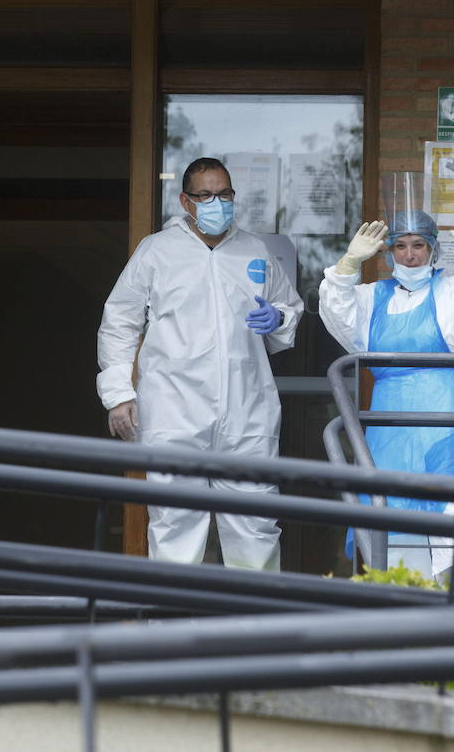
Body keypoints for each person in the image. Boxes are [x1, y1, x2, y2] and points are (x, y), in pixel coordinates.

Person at [97, 157, 303, 571]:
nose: (217, 203)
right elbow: (119, 321)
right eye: (205, 195)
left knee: (256, 525)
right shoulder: (157, 251)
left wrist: (279, 318)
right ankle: (169, 633)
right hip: (174, 409)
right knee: (175, 523)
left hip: (248, 412)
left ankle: (251, 632)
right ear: (185, 201)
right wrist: (119, 394)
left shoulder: (255, 250)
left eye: (224, 194)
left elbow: (288, 309)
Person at [319, 211, 454, 584]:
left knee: (452, 515)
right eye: (400, 246)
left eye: (419, 245)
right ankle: (400, 612)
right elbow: (336, 309)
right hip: (390, 422)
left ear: (433, 250)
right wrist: (348, 263)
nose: (410, 255)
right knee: (388, 510)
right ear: (388, 253)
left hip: (449, 418)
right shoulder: (370, 298)